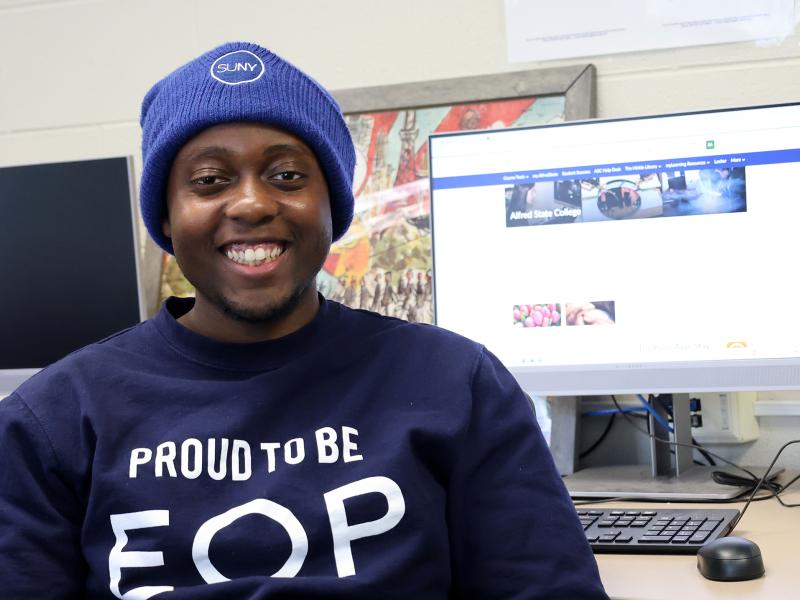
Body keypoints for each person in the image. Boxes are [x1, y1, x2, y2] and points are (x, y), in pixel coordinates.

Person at [0, 42, 608, 599]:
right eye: (209, 181)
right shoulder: (55, 419)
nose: (252, 204)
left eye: (287, 176)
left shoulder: (455, 382)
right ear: (166, 220)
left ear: (332, 208)